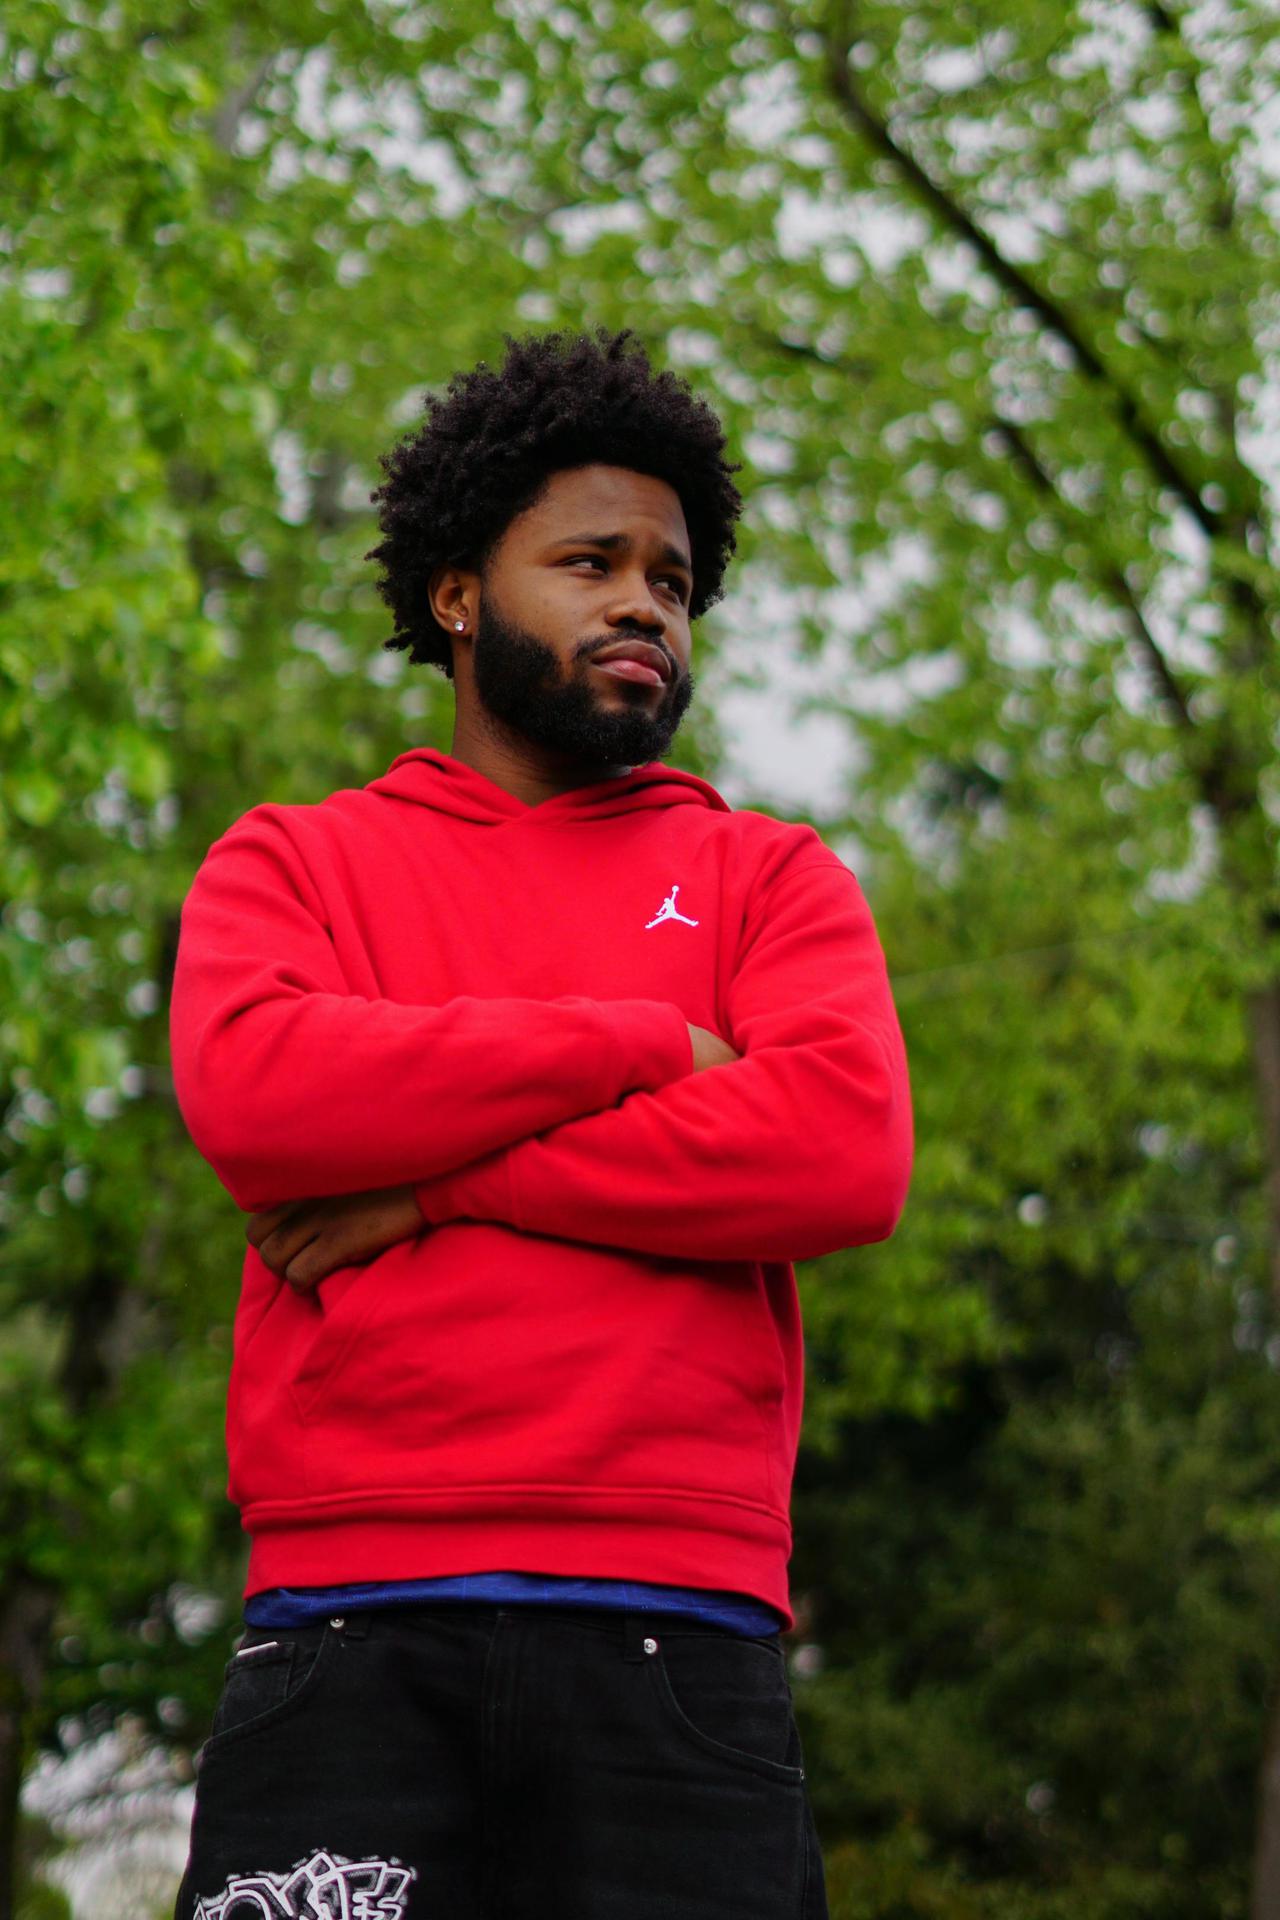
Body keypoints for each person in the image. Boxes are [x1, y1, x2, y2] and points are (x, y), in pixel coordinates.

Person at [168, 326, 913, 1919]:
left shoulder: (768, 880)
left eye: (676, 578)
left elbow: (840, 1149)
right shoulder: (292, 865)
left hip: (683, 1646)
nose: (646, 598)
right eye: (592, 560)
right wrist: (641, 1040)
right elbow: (257, 1092)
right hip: (349, 1632)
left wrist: (429, 1193)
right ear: (457, 594)